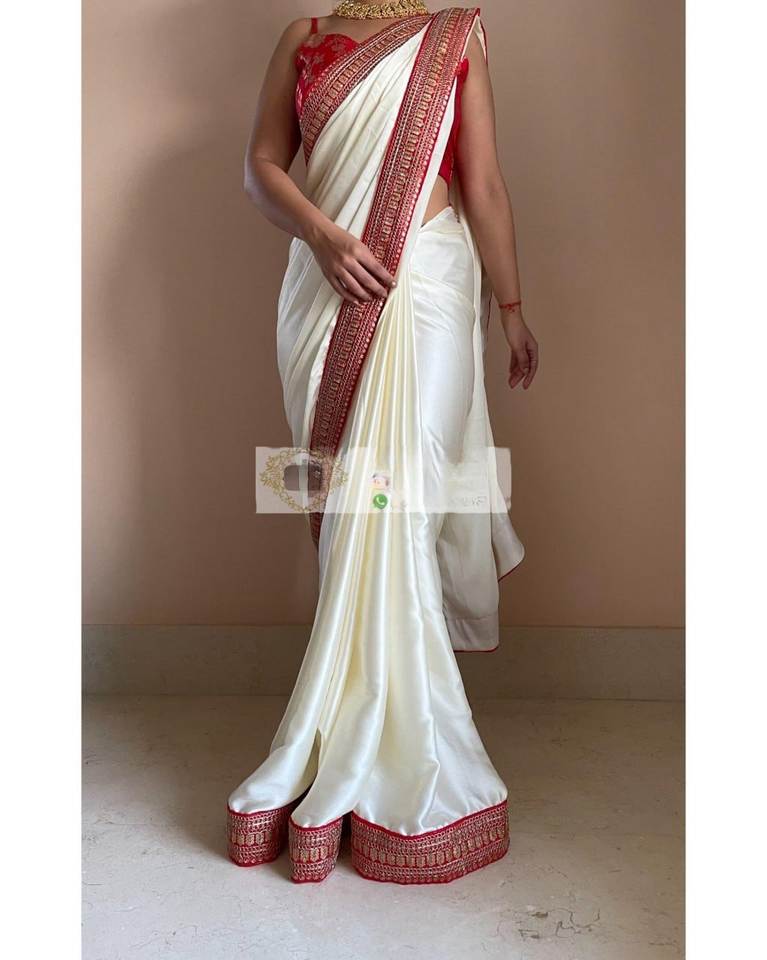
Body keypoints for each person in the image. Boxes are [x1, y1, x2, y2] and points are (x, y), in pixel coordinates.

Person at [227, 1, 539, 885]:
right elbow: (259, 168)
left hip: (429, 279)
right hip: (322, 290)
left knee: (403, 507)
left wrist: (511, 309)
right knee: (340, 506)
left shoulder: (456, 35)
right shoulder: (303, 35)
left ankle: (415, 747)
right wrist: (323, 236)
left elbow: (482, 183)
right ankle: (345, 728)